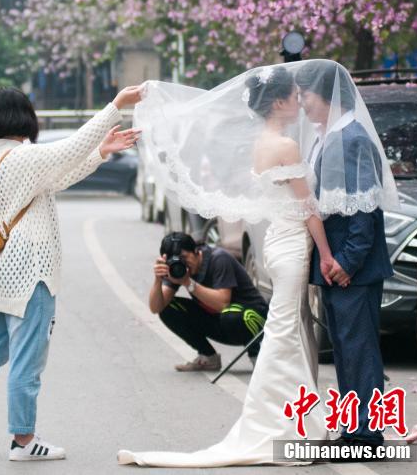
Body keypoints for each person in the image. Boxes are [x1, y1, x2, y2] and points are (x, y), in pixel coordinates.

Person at [118, 65, 337, 466]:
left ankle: (297, 420)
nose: (299, 103)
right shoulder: (285, 146)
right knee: (284, 331)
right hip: (290, 246)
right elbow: (308, 208)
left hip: (278, 243)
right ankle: (281, 423)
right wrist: (325, 252)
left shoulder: (262, 141)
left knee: (287, 329)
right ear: (279, 102)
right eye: (294, 97)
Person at [0, 85, 142, 461]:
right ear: (24, 117)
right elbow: (70, 148)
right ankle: (23, 440)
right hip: (30, 274)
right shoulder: (23, 156)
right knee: (28, 358)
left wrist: (101, 154)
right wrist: (116, 106)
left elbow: (56, 178)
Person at [296, 59, 395, 451]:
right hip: (337, 267)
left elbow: (363, 210)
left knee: (360, 348)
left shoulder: (352, 138)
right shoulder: (327, 136)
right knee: (345, 348)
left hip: (354, 269)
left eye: (305, 96)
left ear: (325, 96)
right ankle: (354, 428)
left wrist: (347, 263)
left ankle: (368, 433)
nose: (302, 103)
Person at [150, 232, 269, 371]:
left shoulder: (218, 259)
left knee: (230, 314)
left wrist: (188, 283)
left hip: (251, 320)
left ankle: (258, 356)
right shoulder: (176, 269)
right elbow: (156, 307)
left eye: (184, 258)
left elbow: (222, 304)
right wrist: (157, 280)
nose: (182, 264)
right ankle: (208, 357)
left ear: (196, 251)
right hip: (221, 322)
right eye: (176, 260)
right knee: (167, 308)